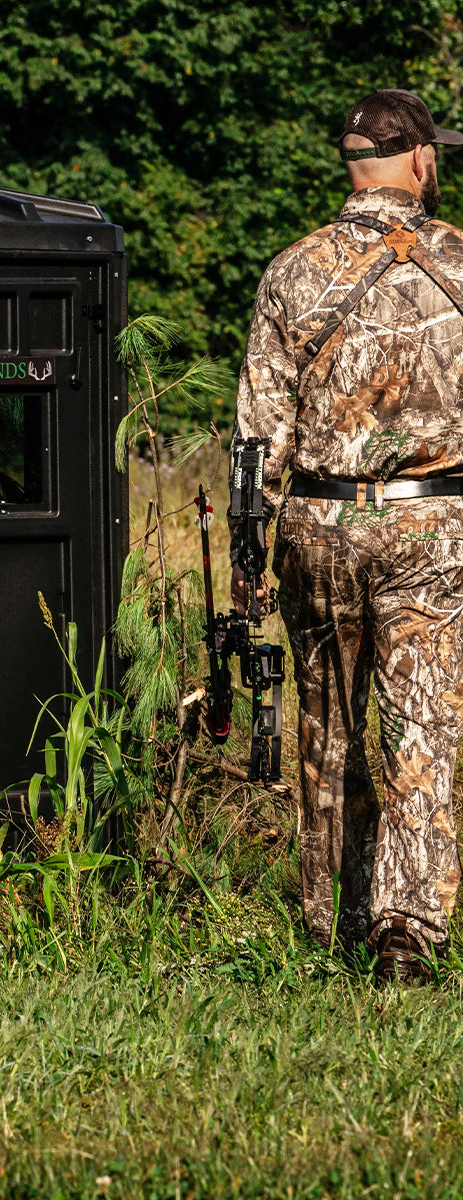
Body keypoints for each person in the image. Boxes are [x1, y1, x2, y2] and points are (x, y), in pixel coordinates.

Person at [230, 89, 463, 982]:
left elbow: (258, 434)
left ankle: (333, 918)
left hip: (317, 522)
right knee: (421, 727)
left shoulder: (292, 271)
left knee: (329, 724)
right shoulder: (458, 262)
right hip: (434, 525)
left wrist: (250, 558)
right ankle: (406, 931)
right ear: (419, 161)